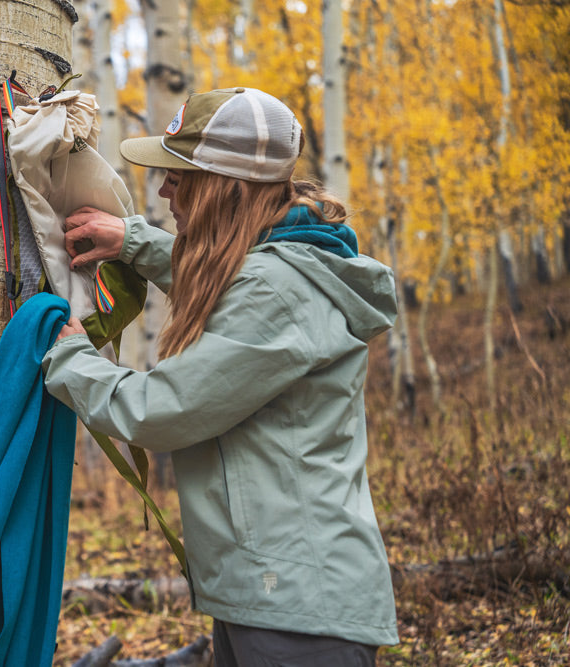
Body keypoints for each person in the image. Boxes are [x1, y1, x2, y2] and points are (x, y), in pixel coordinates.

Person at [41, 87, 400, 666]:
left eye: (177, 179)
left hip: (294, 610)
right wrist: (133, 242)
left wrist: (67, 356)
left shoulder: (279, 291)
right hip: (276, 596)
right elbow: (230, 286)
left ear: (220, 189)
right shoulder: (284, 268)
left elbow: (160, 409)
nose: (163, 192)